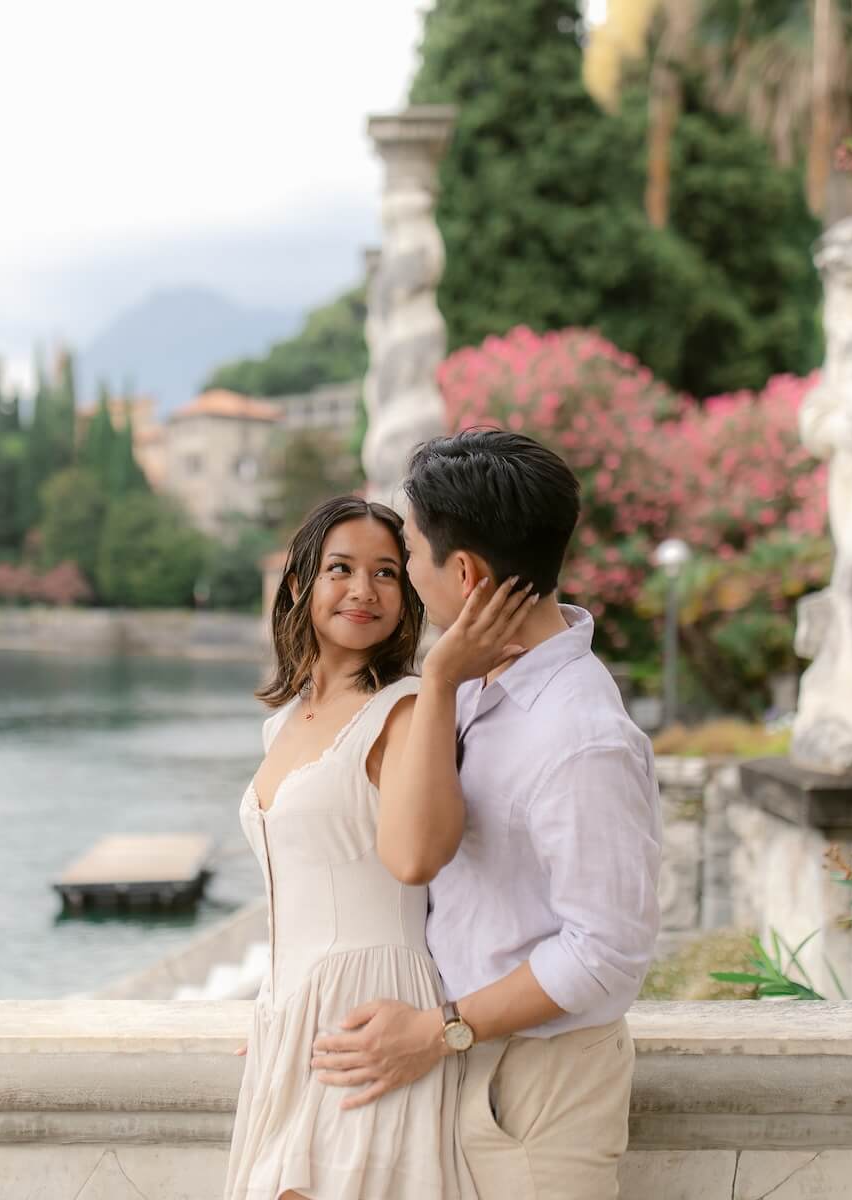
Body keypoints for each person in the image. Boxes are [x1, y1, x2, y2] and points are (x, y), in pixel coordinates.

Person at [310, 431, 663, 1198]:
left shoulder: (579, 737)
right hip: (455, 1062)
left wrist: (439, 1032)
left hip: (539, 1089)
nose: (404, 573)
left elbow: (607, 951)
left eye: (409, 555)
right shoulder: (468, 683)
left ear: (462, 572)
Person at [225, 494, 530, 1200]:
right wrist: (282, 1004)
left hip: (373, 1011)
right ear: (300, 584)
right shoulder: (285, 724)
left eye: (388, 573)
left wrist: (447, 679)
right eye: (341, 568)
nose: (364, 590)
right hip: (293, 1016)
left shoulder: (408, 709)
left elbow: (419, 858)